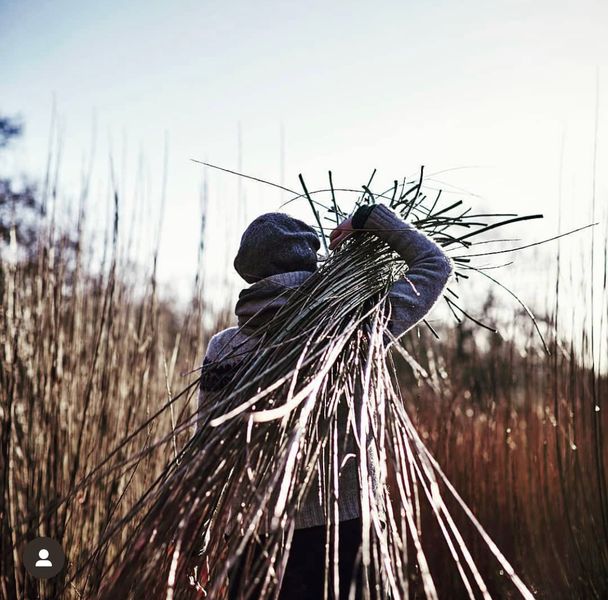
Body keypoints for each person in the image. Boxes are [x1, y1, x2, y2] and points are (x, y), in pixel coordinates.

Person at [197, 203, 454, 599]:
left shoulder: (225, 348)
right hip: (347, 527)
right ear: (310, 266)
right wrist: (372, 220)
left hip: (254, 538)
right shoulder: (351, 326)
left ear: (249, 272)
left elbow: (206, 451)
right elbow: (434, 265)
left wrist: (202, 533)